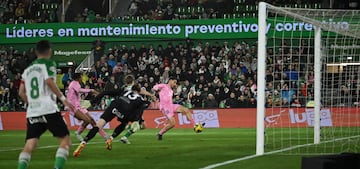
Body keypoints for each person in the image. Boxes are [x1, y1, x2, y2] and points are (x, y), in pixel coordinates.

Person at [17, 40, 75, 169]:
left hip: (33, 110)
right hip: (48, 107)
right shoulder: (49, 64)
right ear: (49, 51)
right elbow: (49, 81)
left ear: (37, 52)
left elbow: (21, 93)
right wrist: (63, 99)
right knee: (65, 141)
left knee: (30, 145)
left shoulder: (27, 70)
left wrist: (32, 103)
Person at [73, 84, 149, 157]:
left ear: (132, 89)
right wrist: (136, 120)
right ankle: (111, 138)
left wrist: (92, 102)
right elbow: (140, 110)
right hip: (125, 110)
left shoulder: (125, 91)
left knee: (99, 125)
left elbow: (106, 92)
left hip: (115, 105)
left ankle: (84, 142)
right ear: (139, 92)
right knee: (124, 123)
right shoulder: (140, 99)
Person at [152, 76, 198, 140]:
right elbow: (154, 87)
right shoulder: (163, 85)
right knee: (172, 124)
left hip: (171, 105)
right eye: (174, 82)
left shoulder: (171, 90)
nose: (175, 84)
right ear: (170, 80)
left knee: (186, 110)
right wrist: (156, 90)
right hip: (165, 107)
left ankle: (195, 126)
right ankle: (160, 133)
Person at [66, 72, 107, 142]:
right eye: (81, 77)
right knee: (87, 120)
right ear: (78, 78)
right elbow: (79, 90)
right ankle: (78, 133)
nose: (82, 78)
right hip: (72, 107)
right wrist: (91, 90)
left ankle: (105, 136)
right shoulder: (74, 83)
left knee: (92, 120)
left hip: (79, 106)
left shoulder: (75, 84)